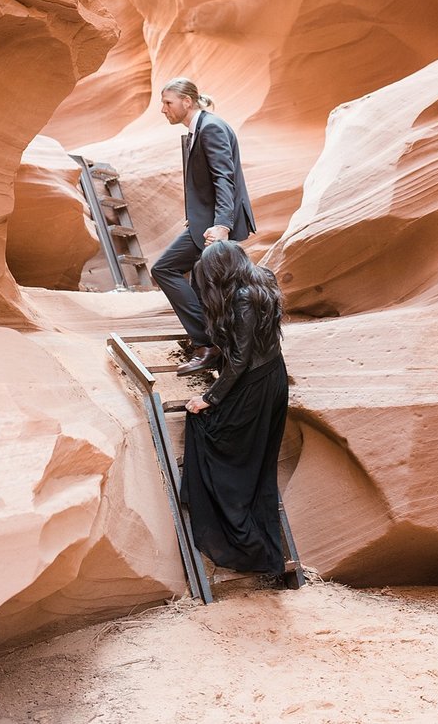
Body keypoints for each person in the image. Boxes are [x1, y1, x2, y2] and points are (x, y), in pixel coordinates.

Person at [181, 241, 288, 576]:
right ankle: (262, 541)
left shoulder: (241, 299)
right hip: (273, 377)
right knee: (259, 465)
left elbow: (240, 360)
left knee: (204, 427)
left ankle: (242, 539)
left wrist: (208, 398)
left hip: (254, 383)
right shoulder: (263, 280)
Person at [151, 78, 256, 376]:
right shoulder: (199, 128)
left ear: (187, 102)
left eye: (167, 102)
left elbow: (224, 178)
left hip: (216, 224)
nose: (163, 109)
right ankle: (215, 344)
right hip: (205, 222)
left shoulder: (210, 128)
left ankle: (207, 344)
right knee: (201, 283)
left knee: (164, 269)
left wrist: (222, 224)